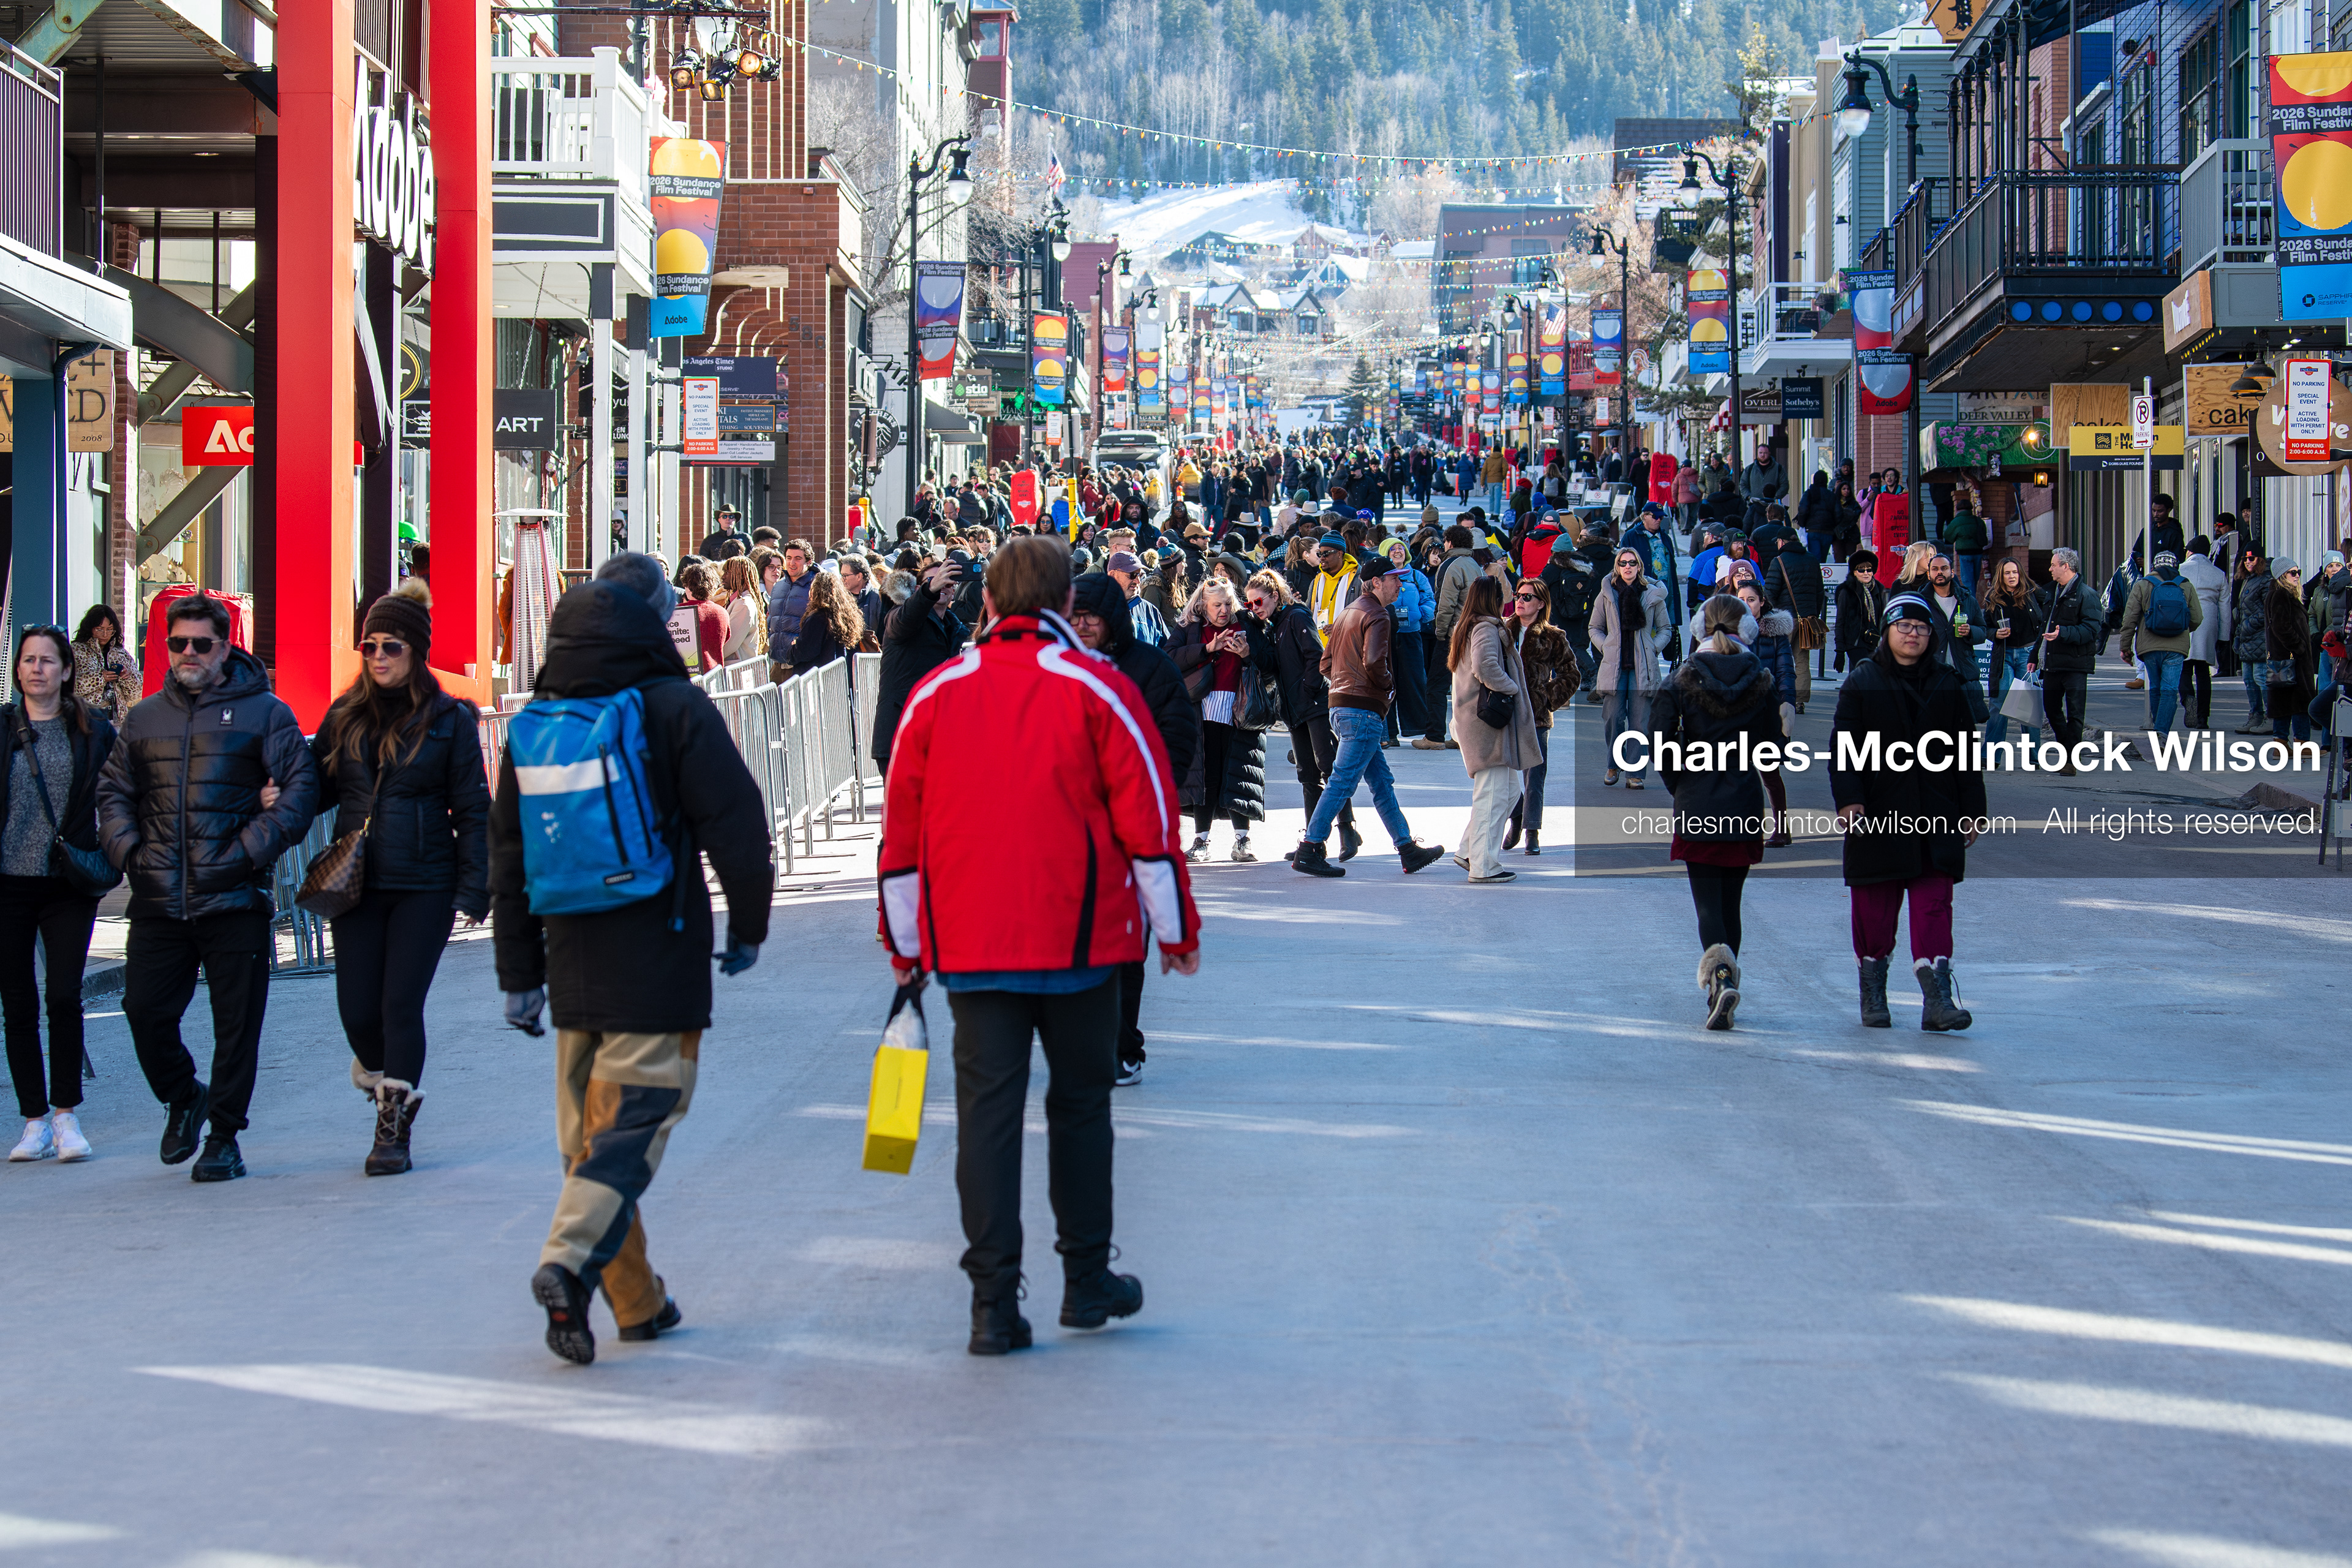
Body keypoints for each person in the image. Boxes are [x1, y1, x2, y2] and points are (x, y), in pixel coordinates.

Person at [879, 534, 1201, 1356]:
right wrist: (1174, 931)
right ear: (1065, 605)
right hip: (1082, 938)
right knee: (1081, 1107)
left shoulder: (937, 692)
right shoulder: (1101, 688)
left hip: (972, 943)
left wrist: (906, 944)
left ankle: (993, 1302)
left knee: (987, 1117)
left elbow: (902, 836)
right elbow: (1148, 819)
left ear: (987, 601)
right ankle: (1086, 1281)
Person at [493, 553, 774, 1365]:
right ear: (654, 618)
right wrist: (748, 927)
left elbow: (506, 857)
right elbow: (736, 823)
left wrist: (519, 978)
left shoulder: (540, 719)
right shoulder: (672, 705)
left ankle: (635, 1303)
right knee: (632, 1129)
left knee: (592, 1146)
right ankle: (566, 1264)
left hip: (568, 958)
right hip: (660, 952)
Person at [99, 592, 319, 1183]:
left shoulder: (266, 714)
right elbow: (113, 793)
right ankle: (184, 1095)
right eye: (178, 644)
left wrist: (248, 852)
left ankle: (224, 1136)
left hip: (233, 898)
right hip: (157, 897)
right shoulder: (144, 718)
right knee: (143, 1010)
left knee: (236, 1024)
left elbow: (301, 789)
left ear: (226, 647)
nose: (189, 654)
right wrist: (131, 854)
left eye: (201, 643)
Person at [307, 579, 490, 1175]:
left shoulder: (449, 721)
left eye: (391, 646)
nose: (378, 656)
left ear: (416, 651)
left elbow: (473, 808)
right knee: (358, 1012)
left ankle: (393, 1128)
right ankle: (388, 1080)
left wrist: (475, 885)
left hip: (425, 882)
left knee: (398, 1004)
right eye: (369, 646)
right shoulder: (345, 716)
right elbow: (314, 789)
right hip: (357, 882)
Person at [1833, 595, 1985, 1032]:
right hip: (1878, 812)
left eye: (1921, 627)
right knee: (1875, 909)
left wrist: (1973, 809)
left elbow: (1965, 754)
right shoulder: (1862, 682)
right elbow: (1843, 750)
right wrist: (1849, 800)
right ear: (1887, 632)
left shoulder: (1948, 683)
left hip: (1938, 813)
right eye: (1904, 626)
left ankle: (1938, 1001)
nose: (1913, 633)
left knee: (1934, 903)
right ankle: (1874, 993)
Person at [1069, 573, 1196, 1089]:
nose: (1081, 626)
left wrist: (1138, 792)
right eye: (1073, 617)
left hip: (1128, 837)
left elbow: (1177, 739)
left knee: (1124, 951)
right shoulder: (1058, 668)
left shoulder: (1150, 667)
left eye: (1091, 617)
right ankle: (1078, 1045)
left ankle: (1123, 1046)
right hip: (1065, 836)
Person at [2, 626, 116, 1165]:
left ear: (67, 670)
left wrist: (118, 847)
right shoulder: (3, 729)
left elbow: (123, 794)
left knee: (65, 997)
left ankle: (67, 1115)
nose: (38, 669)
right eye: (29, 660)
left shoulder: (92, 730)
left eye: (49, 661)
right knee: (18, 1004)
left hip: (69, 884)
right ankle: (33, 1123)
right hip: (8, 885)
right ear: (17, 669)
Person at [1646, 595, 1779, 1028]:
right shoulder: (1761, 677)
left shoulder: (1680, 679)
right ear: (1749, 630)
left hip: (1697, 797)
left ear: (1699, 629)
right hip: (1743, 797)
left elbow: (1661, 745)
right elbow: (1773, 750)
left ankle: (1719, 979)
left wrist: (1679, 785)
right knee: (1731, 901)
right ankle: (1728, 976)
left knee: (1706, 902)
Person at [1289, 554, 1448, 879]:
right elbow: (1375, 661)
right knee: (1343, 782)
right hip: (1362, 710)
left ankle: (1407, 848)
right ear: (1376, 582)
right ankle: (1310, 847)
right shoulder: (1378, 614)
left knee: (1380, 783)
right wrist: (1387, 689)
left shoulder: (1350, 610)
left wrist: (1346, 690)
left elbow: (1326, 663)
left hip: (1345, 707)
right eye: (1395, 578)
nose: (1400, 584)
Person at [1243, 571, 1359, 861]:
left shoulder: (1295, 615)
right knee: (1307, 773)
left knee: (1328, 767)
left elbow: (1315, 655)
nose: (1255, 608)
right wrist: (1249, 652)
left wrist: (1307, 690)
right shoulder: (1273, 625)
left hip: (1313, 705)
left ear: (1275, 596)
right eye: (1249, 605)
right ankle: (1313, 840)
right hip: (1294, 709)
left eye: (1258, 601)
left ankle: (1347, 827)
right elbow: (1272, 664)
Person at [1447, 575, 1541, 883]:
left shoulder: (1469, 625)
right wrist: (1512, 687)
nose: (1508, 599)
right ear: (1492, 598)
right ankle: (1484, 866)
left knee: (1507, 791)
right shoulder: (1486, 627)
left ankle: (1467, 851)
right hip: (1486, 725)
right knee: (1493, 795)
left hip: (1475, 722)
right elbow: (1485, 666)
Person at [1167, 578, 1267, 864]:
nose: (1223, 611)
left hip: (1241, 712)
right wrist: (1207, 649)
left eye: (1227, 604)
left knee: (1237, 775)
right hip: (1202, 712)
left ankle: (1242, 841)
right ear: (1203, 605)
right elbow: (1169, 657)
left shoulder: (1246, 624)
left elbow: (1268, 661)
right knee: (1206, 777)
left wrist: (1248, 655)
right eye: (1217, 605)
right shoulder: (1190, 629)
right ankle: (1200, 842)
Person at [870, 559, 969, 772]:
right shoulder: (899, 615)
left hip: (936, 738)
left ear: (954, 591)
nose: (942, 586)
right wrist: (929, 590)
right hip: (900, 734)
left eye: (948, 582)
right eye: (933, 580)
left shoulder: (954, 627)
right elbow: (906, 619)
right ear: (918, 587)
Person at [1502, 578, 1576, 857]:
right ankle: (1517, 815)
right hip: (1505, 712)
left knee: (1535, 775)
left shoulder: (1553, 636)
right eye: (1518, 596)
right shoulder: (1502, 629)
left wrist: (1547, 697)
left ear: (1541, 604)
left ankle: (1532, 831)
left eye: (1528, 597)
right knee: (1503, 772)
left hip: (1536, 715)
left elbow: (1571, 674)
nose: (1520, 601)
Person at [1590, 545, 1671, 789]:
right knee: (1613, 719)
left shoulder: (1652, 594)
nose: (1628, 567)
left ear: (1639, 566)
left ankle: (1635, 773)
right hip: (1614, 666)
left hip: (1643, 667)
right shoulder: (1607, 593)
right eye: (1623, 563)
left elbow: (1666, 629)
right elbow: (1594, 628)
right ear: (1617, 566)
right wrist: (1607, 646)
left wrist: (1652, 647)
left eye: (1632, 563)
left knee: (1640, 723)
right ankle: (1613, 765)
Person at [2117, 550, 2204, 734]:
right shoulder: (2186, 585)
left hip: (2149, 647)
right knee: (2170, 690)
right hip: (2176, 648)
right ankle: (2162, 733)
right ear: (2176, 566)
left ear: (2153, 566)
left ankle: (2157, 727)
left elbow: (2129, 619)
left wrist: (2125, 647)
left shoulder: (2142, 585)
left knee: (2155, 688)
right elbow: (2197, 618)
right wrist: (2181, 629)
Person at [2035, 546, 2104, 772]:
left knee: (2075, 713)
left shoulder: (2087, 594)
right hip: (2052, 663)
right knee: (2051, 708)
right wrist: (2034, 655)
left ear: (2066, 567)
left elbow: (2091, 630)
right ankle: (2069, 750)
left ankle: (2071, 761)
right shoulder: (2051, 593)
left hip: (2076, 664)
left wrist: (2062, 633)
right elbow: (2043, 628)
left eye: (2054, 565)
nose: (2050, 569)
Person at [1420, 524, 1485, 747]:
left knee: (1436, 686)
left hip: (1453, 635)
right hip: (1475, 633)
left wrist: (1440, 632)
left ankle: (1434, 736)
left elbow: (1445, 604)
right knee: (1465, 688)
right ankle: (1462, 736)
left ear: (1449, 542)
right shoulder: (1476, 566)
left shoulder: (1450, 565)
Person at [1981, 557, 2044, 755]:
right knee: (1999, 704)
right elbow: (1985, 627)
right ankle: (1991, 755)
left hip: (2028, 654)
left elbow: (2047, 617)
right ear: (2002, 576)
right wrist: (1995, 634)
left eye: (2015, 572)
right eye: (2007, 573)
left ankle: (2034, 756)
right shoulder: (1993, 598)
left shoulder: (2034, 593)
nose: (2012, 576)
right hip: (2004, 654)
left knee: (2027, 707)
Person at [1384, 537, 1436, 745]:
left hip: (1411, 635)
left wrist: (1422, 615)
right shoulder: (1382, 576)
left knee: (1414, 682)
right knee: (1387, 682)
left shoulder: (1417, 576)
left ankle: (1415, 728)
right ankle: (1388, 734)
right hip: (1387, 636)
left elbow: (1429, 599)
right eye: (1393, 549)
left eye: (1401, 548)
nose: (1398, 551)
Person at [2181, 536, 2228, 729]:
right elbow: (2225, 609)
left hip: (2184, 622)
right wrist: (2224, 638)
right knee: (2202, 672)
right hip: (2207, 623)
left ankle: (2187, 698)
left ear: (2190, 551)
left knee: (2183, 668)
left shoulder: (2180, 570)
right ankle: (2202, 718)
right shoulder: (2218, 574)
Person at [2267, 559, 2316, 744]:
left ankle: (2280, 744)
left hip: (2286, 659)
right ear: (2282, 576)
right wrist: (2300, 647)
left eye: (2298, 572)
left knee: (2284, 702)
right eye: (2292, 573)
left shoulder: (2282, 594)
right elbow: (2281, 627)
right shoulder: (2281, 595)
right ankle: (2302, 743)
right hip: (2292, 659)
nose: (2297, 576)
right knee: (2299, 703)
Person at [789, 568, 866, 675]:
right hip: (838, 678)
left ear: (815, 592)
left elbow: (806, 652)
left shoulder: (818, 618)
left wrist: (794, 649)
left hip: (819, 678)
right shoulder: (844, 616)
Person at [71, 605, 139, 723]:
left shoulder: (121, 654)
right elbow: (69, 687)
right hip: (85, 720)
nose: (105, 634)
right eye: (100, 629)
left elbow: (136, 694)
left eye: (109, 630)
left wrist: (126, 678)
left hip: (117, 721)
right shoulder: (77, 651)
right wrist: (100, 678)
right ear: (90, 628)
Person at [2232, 551, 2275, 733]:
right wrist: (2238, 634)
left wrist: (2247, 625)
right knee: (2249, 679)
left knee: (2261, 678)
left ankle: (2271, 717)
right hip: (2247, 638)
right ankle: (2255, 715)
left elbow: (2268, 609)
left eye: (2252, 558)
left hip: (2260, 638)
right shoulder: (2248, 579)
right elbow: (2244, 611)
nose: (2248, 562)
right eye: (2245, 559)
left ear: (2260, 560)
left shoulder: (2266, 580)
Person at [765, 538, 818, 677]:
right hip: (778, 663)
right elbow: (772, 619)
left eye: (798, 558)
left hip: (803, 666)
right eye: (789, 558)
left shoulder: (816, 586)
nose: (792, 563)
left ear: (809, 562)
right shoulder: (779, 586)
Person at [667, 560, 728, 674]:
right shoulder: (722, 612)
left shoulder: (677, 613)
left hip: (687, 675)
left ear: (689, 588)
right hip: (715, 675)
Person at [1834, 548, 1888, 674]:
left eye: (1869, 570)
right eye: (1861, 570)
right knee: (1866, 673)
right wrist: (1840, 651)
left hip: (1873, 641)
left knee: (1867, 676)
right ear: (1854, 572)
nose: (1866, 573)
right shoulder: (1847, 591)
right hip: (1855, 642)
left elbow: (1883, 618)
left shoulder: (1879, 589)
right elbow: (1840, 622)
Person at [1308, 533, 1357, 644]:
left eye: (1326, 553)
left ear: (1340, 554)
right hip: (1319, 647)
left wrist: (1341, 628)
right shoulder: (1317, 580)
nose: (1322, 558)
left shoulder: (1356, 579)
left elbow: (1364, 616)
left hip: (1346, 647)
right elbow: (1309, 611)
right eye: (1320, 554)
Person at [717, 556, 767, 665]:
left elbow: (729, 644)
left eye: (728, 573)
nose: (723, 577)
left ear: (742, 576)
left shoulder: (744, 605)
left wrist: (710, 658)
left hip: (738, 673)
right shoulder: (738, 602)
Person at [1942, 496, 1989, 595]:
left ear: (1958, 510)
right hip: (1978, 553)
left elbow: (1948, 536)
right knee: (1975, 580)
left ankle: (1971, 604)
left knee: (1968, 581)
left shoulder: (1956, 522)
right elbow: (1984, 534)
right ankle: (1973, 600)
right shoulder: (1977, 520)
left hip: (1965, 554)